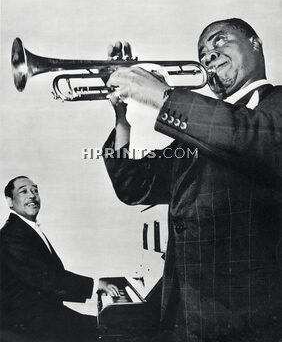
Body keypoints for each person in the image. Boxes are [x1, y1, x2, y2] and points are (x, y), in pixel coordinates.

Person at [103, 19, 282, 341]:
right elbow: (134, 187)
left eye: (220, 41)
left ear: (255, 43)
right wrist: (122, 120)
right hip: (186, 314)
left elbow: (255, 137)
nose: (209, 55)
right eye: (202, 52)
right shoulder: (191, 139)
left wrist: (163, 96)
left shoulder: (274, 105)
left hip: (249, 315)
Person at [0, 176, 119, 342]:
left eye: (35, 190)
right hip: (27, 326)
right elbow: (49, 278)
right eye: (24, 191)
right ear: (10, 201)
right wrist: (96, 285)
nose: (32, 195)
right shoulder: (11, 235)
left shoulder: (26, 229)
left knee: (109, 326)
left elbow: (53, 275)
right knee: (110, 332)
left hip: (44, 316)